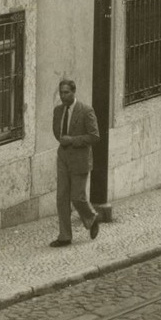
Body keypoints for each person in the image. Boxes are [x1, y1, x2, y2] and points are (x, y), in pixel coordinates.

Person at [50, 78, 100, 247]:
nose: (63, 96)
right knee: (62, 197)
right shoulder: (58, 111)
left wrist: (72, 140)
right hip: (63, 157)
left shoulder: (86, 111)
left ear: (73, 92)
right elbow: (57, 132)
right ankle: (65, 236)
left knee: (77, 197)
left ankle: (91, 218)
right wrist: (63, 140)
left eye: (67, 92)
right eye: (61, 93)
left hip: (80, 159)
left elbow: (94, 136)